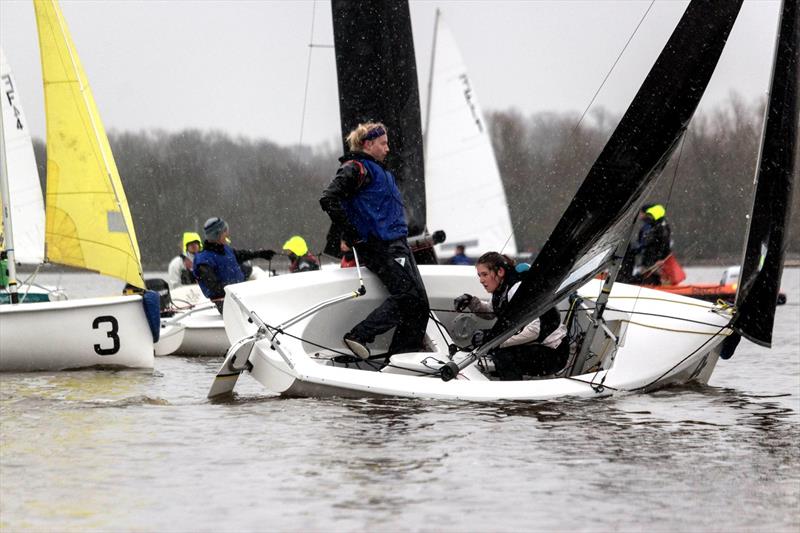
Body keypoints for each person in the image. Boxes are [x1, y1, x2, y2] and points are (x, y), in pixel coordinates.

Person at [320, 122, 429, 359]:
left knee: (420, 304)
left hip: (397, 244)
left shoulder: (379, 170)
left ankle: (403, 359)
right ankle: (358, 336)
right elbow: (328, 199)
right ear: (368, 144)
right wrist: (350, 234)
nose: (388, 149)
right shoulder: (356, 168)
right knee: (408, 297)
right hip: (380, 246)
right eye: (383, 143)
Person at [453, 251, 569, 380]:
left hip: (554, 352)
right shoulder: (502, 288)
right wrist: (471, 302)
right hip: (535, 347)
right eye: (479, 275)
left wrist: (493, 341)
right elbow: (490, 311)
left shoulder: (517, 289)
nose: (481, 280)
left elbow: (535, 330)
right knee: (497, 349)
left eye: (484, 274)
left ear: (500, 272)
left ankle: (513, 397)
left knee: (502, 354)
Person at [192, 217, 275, 313]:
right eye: (225, 232)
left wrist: (261, 254)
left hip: (241, 297)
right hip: (227, 305)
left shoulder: (225, 249)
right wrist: (239, 289)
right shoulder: (203, 260)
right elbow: (214, 287)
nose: (227, 234)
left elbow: (242, 254)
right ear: (217, 235)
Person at [620, 204, 685, 285]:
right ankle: (625, 279)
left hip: (653, 264)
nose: (640, 215)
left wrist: (659, 259)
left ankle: (624, 280)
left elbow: (660, 245)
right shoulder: (657, 225)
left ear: (647, 213)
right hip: (650, 263)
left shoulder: (658, 227)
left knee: (645, 276)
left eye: (641, 213)